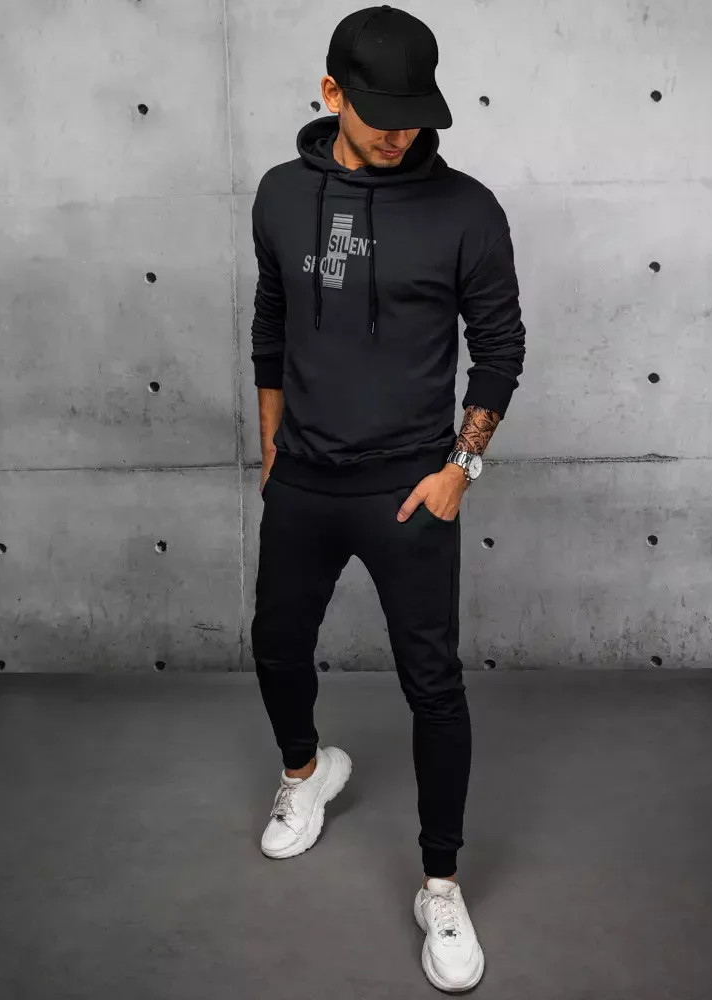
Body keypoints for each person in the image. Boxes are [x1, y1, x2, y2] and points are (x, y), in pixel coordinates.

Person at [250, 5, 525, 992]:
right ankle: (305, 772)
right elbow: (272, 318)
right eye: (380, 114)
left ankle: (440, 885)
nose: (401, 133)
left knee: (433, 686)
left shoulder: (467, 211)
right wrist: (271, 439)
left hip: (412, 487)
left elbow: (500, 352)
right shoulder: (282, 194)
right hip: (305, 477)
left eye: (416, 114)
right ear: (332, 92)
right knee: (275, 643)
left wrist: (460, 470)